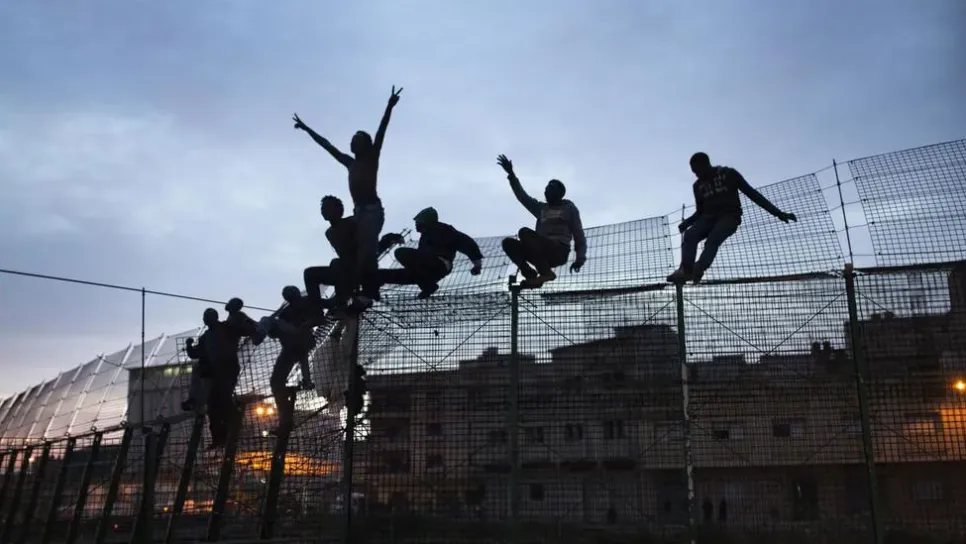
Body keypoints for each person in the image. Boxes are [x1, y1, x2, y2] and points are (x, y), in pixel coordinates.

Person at [293, 85, 404, 308]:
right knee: (361, 251)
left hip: (371, 210)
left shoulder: (370, 159)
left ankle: (369, 293)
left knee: (367, 251)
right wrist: (306, 129)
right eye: (351, 140)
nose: (352, 143)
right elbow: (327, 146)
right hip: (359, 212)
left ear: (365, 145)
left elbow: (381, 131)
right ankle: (353, 292)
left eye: (356, 140)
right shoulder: (350, 163)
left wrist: (389, 106)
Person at [667, 152, 797, 284]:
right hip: (707, 218)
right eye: (694, 172)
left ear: (706, 164)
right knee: (690, 235)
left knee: (713, 238)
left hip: (729, 216)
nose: (697, 175)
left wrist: (778, 213)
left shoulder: (728, 174)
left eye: (698, 171)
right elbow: (700, 211)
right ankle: (686, 271)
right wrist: (687, 222)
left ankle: (699, 268)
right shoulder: (697, 186)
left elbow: (752, 194)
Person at [495, 154, 587, 288]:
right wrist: (511, 175)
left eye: (550, 189)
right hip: (538, 252)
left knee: (524, 232)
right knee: (508, 243)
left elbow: (578, 234)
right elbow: (523, 197)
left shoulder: (568, 208)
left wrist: (580, 258)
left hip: (558, 251)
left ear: (559, 194)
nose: (546, 192)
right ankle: (530, 275)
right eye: (546, 189)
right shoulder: (542, 209)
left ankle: (545, 273)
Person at [303, 195, 404, 314]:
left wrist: (387, 239)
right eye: (322, 208)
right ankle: (319, 311)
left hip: (359, 269)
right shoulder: (329, 232)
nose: (323, 211)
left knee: (337, 264)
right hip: (345, 272)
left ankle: (342, 299)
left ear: (338, 209)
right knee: (311, 273)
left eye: (327, 207)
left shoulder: (352, 223)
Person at [378, 207, 483, 299]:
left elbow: (466, 242)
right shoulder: (425, 236)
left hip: (438, 264)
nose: (416, 224)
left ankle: (427, 285)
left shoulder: (442, 229)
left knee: (400, 252)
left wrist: (477, 264)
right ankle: (426, 284)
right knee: (381, 275)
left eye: (418, 221)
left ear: (426, 221)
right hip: (425, 273)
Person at [183, 308, 242, 450]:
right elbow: (196, 353)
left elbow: (239, 331)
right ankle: (221, 437)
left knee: (221, 402)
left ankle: (227, 432)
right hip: (218, 373)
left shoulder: (225, 329)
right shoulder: (209, 335)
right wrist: (189, 346)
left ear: (213, 318)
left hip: (225, 372)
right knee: (214, 405)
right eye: (205, 317)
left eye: (207, 316)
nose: (205, 319)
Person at [266, 286, 318, 436]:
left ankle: (285, 420)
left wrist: (305, 325)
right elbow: (303, 357)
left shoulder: (289, 314)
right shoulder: (289, 312)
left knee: (276, 381)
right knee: (279, 380)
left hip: (295, 346)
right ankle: (285, 419)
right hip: (298, 344)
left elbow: (314, 320)